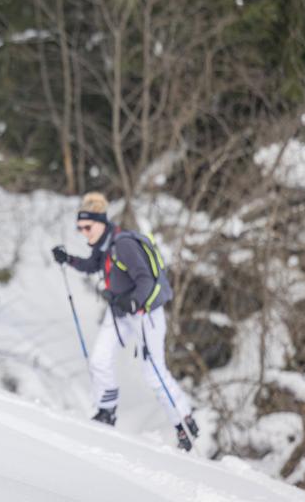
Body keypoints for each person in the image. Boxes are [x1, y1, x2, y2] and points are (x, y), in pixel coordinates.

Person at [52, 192, 199, 450]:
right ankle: (106, 412)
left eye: (87, 227)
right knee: (99, 359)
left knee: (153, 372)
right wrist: (69, 260)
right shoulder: (104, 247)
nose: (84, 232)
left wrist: (133, 302)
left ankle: (185, 422)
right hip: (119, 313)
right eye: (80, 228)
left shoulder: (123, 245)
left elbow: (145, 279)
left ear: (100, 222)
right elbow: (92, 266)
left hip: (144, 315)